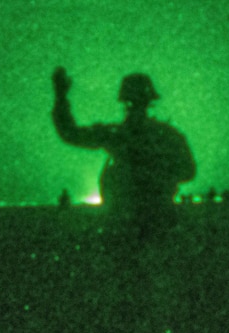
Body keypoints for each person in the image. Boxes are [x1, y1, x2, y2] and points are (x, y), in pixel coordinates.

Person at [51, 66, 196, 238]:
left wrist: (61, 97)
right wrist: (159, 174)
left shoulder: (117, 135)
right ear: (149, 101)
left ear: (124, 102)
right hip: (156, 220)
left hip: (124, 222)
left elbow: (70, 133)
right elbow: (188, 171)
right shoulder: (167, 135)